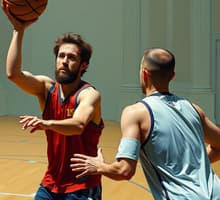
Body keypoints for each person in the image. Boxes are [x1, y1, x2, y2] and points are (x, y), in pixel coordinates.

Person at [71, 48, 220, 199]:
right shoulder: (193, 108)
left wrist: (99, 166)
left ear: (144, 73)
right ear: (172, 76)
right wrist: (192, 164)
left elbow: (124, 170)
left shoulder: (136, 113)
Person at [1, 1, 104, 199]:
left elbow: (79, 124)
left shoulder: (89, 94)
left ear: (83, 65)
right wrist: (18, 30)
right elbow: (13, 74)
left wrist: (46, 123)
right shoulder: (46, 89)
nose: (64, 61)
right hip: (51, 184)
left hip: (81, 187)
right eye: (61, 56)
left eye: (71, 58)